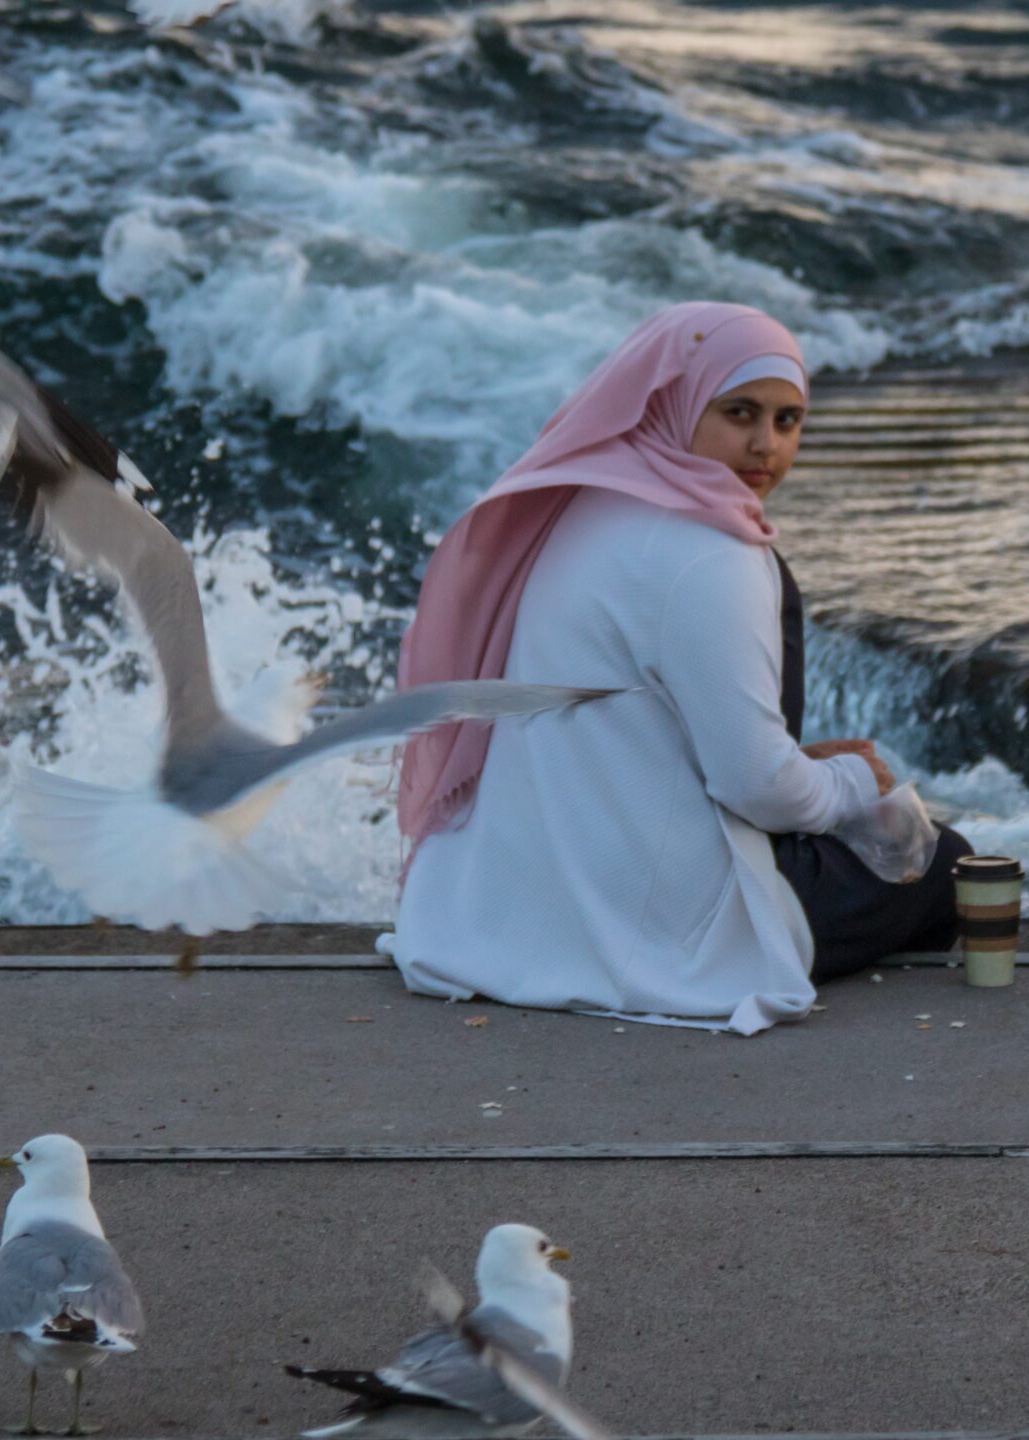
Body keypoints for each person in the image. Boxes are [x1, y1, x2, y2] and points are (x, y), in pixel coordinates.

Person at [388, 302, 972, 1034]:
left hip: (513, 905)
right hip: (655, 927)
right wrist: (853, 784)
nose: (765, 445)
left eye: (788, 420)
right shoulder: (712, 556)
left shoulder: (580, 510)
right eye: (739, 413)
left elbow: (647, 727)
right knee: (942, 860)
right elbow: (756, 788)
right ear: (679, 403)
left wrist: (801, 769)